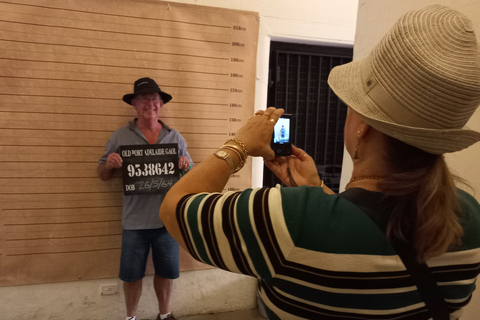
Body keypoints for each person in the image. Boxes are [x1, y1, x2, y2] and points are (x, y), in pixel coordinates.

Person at [160, 5, 480, 320]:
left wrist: (239, 144)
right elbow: (374, 224)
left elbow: (175, 208)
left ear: (363, 125)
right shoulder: (470, 216)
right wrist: (318, 191)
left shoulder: (288, 219)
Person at [98, 77, 192, 320]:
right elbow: (102, 175)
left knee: (167, 272)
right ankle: (130, 317)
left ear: (161, 104)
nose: (150, 103)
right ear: (134, 104)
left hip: (167, 220)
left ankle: (165, 314)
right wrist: (108, 165)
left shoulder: (175, 137)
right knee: (132, 275)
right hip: (134, 222)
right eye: (144, 99)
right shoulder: (120, 137)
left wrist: (186, 165)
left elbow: (190, 174)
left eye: (155, 99)